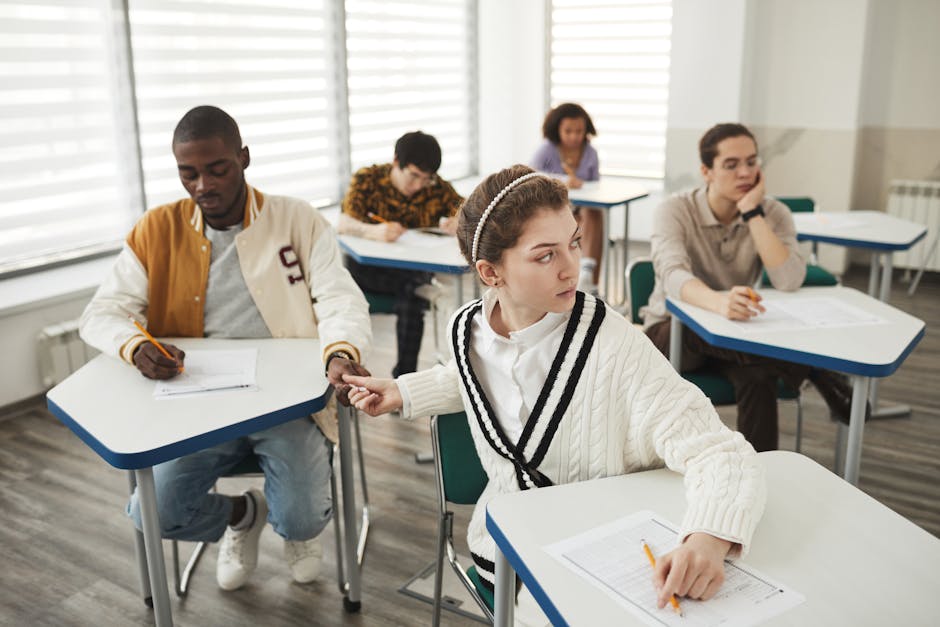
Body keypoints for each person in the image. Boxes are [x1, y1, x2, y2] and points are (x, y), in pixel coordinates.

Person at [343, 165, 766, 625]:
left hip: (608, 541)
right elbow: (471, 375)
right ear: (490, 273)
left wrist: (708, 537)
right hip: (506, 541)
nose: (572, 268)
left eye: (574, 243)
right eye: (545, 256)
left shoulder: (613, 342)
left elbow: (721, 451)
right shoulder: (466, 329)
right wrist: (403, 391)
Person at [79, 105, 372, 591]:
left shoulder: (295, 219)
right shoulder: (156, 229)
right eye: (187, 173)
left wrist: (340, 350)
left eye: (217, 169)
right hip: (197, 402)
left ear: (244, 158)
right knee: (153, 515)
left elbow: (339, 298)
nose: (203, 186)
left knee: (300, 518)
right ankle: (243, 514)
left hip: (287, 400)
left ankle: (296, 528)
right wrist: (135, 345)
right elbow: (101, 313)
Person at [641, 122, 867, 452]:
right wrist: (718, 304)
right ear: (707, 171)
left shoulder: (774, 212)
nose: (744, 172)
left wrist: (753, 213)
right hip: (673, 334)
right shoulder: (674, 210)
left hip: (735, 337)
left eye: (752, 162)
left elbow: (788, 279)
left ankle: (761, 472)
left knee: (758, 378)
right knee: (689, 326)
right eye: (731, 165)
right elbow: (672, 275)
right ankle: (815, 370)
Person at [338, 131, 463, 377]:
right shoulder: (368, 179)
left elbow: (469, 211)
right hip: (368, 271)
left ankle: (404, 377)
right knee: (414, 292)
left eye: (426, 179)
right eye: (414, 176)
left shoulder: (436, 188)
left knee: (411, 292)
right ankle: (405, 378)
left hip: (412, 271)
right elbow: (342, 223)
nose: (418, 185)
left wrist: (458, 222)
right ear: (396, 162)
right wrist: (373, 231)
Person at [530, 102, 602, 294]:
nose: (574, 136)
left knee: (594, 214)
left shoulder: (591, 152)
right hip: (554, 211)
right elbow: (529, 177)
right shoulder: (546, 150)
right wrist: (564, 180)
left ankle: (589, 280)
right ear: (557, 129)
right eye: (568, 131)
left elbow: (595, 186)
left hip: (583, 211)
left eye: (579, 131)